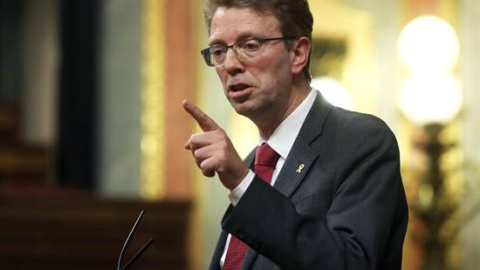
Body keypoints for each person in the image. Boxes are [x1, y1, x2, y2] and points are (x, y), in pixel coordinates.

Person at [183, 0, 408, 269]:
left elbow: (350, 263)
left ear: (298, 54)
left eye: (250, 45)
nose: (230, 64)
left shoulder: (362, 141)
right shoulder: (251, 164)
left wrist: (243, 185)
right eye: (219, 50)